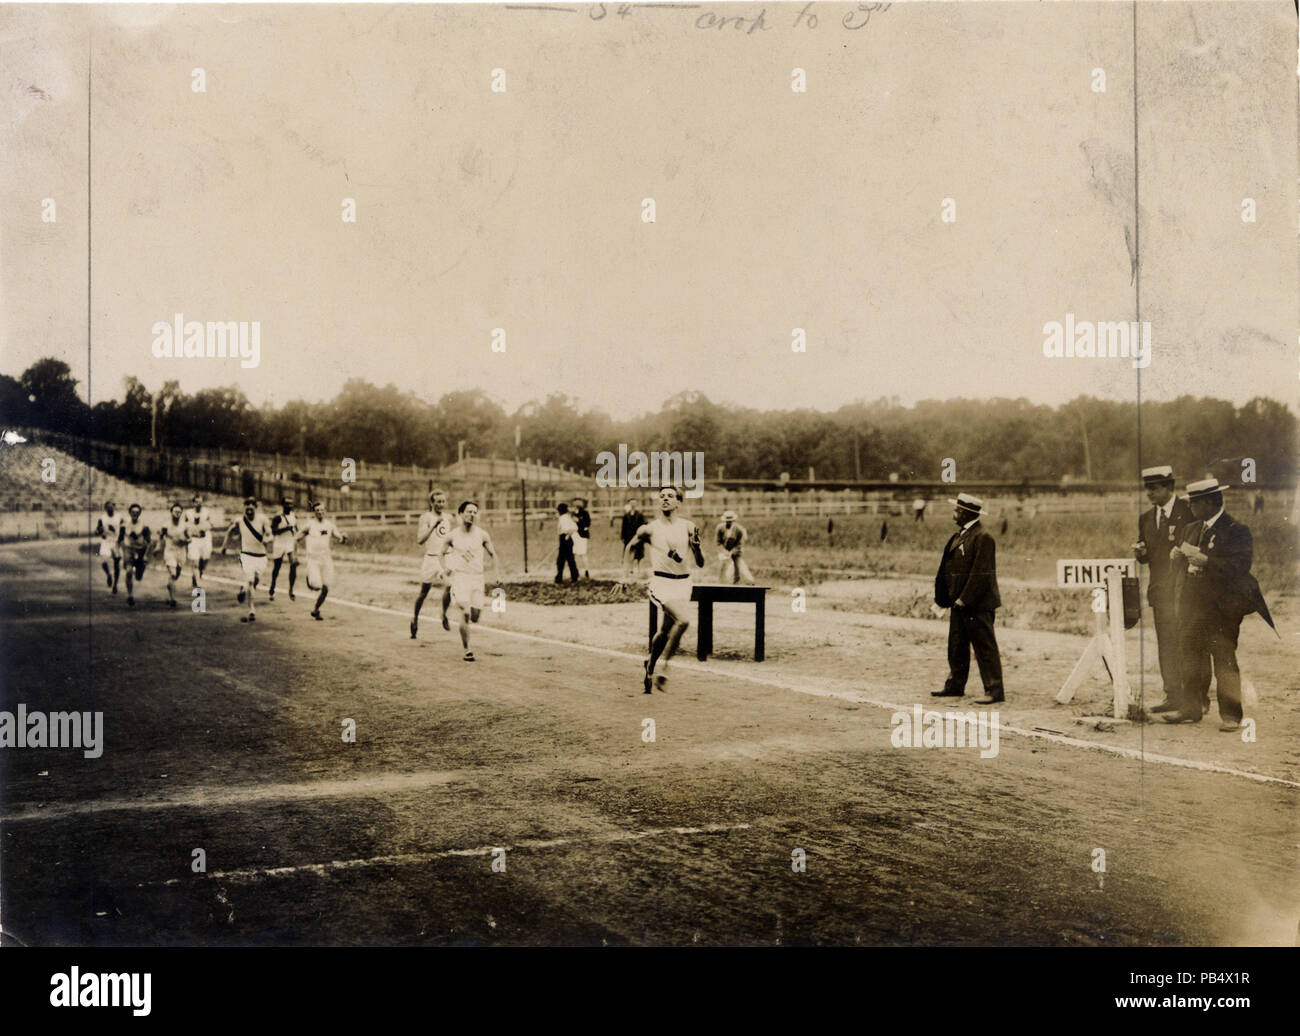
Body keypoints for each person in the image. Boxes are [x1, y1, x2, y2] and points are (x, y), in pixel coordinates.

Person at [1162, 478, 1275, 731]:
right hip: (1193, 605)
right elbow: (1183, 566)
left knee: (1223, 657)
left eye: (1195, 503)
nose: (1190, 507)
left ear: (1211, 503)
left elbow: (1239, 568)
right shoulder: (1192, 528)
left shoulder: (1236, 530)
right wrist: (1176, 557)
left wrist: (1205, 561)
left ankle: (1231, 715)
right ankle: (1190, 707)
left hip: (1221, 608)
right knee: (1189, 654)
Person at [619, 486, 705, 693]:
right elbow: (630, 547)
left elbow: (700, 563)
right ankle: (664, 667)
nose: (665, 499)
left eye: (670, 496)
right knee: (683, 621)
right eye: (662, 496)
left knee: (665, 631)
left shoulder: (688, 527)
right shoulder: (649, 529)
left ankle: (650, 663)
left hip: (684, 583)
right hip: (661, 583)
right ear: (659, 502)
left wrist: (697, 547)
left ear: (678, 502)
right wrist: (624, 576)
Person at [932, 492, 1005, 705]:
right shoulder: (958, 536)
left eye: (956, 510)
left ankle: (994, 690)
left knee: (984, 647)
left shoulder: (983, 537)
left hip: (977, 604)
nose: (954, 513)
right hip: (959, 603)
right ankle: (955, 685)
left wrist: (965, 598)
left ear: (965, 513)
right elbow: (946, 569)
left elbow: (981, 573)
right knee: (957, 646)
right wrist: (944, 598)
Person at [1131, 465, 1193, 713]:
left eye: (1154, 488)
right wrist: (1140, 554)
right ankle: (1173, 696)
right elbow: (1148, 557)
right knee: (1166, 644)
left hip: (1185, 592)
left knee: (1188, 644)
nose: (1149, 493)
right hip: (1160, 592)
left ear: (1169, 487)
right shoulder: (1145, 518)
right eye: (1147, 488)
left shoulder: (1188, 512)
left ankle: (1194, 699)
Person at [439, 500, 498, 662]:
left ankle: (453, 615)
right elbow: (441, 554)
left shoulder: (482, 534)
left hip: (477, 578)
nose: (472, 514)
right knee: (464, 612)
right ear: (461, 514)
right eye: (468, 511)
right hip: (461, 577)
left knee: (475, 616)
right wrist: (444, 571)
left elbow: (493, 555)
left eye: (474, 512)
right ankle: (467, 650)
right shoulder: (452, 535)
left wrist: (496, 574)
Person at [221, 497, 272, 622]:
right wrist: (224, 546)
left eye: (252, 505)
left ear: (256, 507)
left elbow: (269, 533)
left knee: (255, 581)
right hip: (246, 555)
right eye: (247, 505)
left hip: (261, 556)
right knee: (250, 580)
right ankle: (252, 609)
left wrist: (268, 537)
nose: (249, 508)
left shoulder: (263, 519)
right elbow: (229, 531)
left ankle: (243, 589)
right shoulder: (240, 521)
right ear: (244, 507)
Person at [411, 488, 454, 638]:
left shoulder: (448, 518)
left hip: (445, 558)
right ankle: (415, 619)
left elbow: (448, 539)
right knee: (424, 592)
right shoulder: (426, 517)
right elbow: (420, 540)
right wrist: (433, 526)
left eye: (443, 501)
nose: (441, 504)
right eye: (438, 502)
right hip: (430, 559)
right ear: (432, 503)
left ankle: (443, 614)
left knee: (450, 585)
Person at [297, 500, 347, 620]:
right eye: (317, 510)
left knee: (326, 587)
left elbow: (338, 536)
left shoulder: (329, 525)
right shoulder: (309, 525)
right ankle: (309, 579)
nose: (320, 512)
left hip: (325, 559)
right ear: (314, 512)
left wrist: (343, 538)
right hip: (313, 559)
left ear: (325, 511)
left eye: (322, 510)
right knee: (316, 585)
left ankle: (316, 609)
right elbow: (298, 537)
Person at [155, 501, 188, 608]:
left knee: (177, 574)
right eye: (175, 511)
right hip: (170, 551)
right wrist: (157, 547)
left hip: (181, 552)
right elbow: (161, 537)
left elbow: (189, 538)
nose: (177, 513)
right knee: (172, 573)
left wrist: (186, 541)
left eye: (179, 512)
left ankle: (170, 586)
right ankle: (172, 599)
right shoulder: (166, 525)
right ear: (171, 512)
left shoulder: (184, 525)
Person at [120, 503, 151, 608]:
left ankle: (139, 571)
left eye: (137, 513)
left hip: (141, 550)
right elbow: (120, 539)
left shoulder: (144, 525)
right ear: (129, 513)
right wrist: (121, 549)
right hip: (129, 550)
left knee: (138, 576)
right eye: (133, 512)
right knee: (128, 571)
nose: (135, 514)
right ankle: (130, 595)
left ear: (140, 514)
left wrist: (146, 555)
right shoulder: (124, 524)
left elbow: (148, 542)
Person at [268, 498, 299, 601]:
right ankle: (272, 586)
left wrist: (297, 534)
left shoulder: (294, 516)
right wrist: (287, 528)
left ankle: (291, 589)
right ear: (283, 505)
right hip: (279, 543)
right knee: (277, 567)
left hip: (289, 542)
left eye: (291, 504)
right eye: (287, 504)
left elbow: (296, 529)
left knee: (293, 564)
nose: (289, 506)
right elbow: (274, 531)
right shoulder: (278, 517)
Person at [715, 510, 753, 584]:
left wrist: (733, 551)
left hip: (736, 550)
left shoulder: (739, 529)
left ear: (733, 520)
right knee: (722, 565)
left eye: (730, 521)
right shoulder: (720, 528)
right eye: (727, 521)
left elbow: (740, 543)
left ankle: (736, 582)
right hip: (724, 550)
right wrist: (723, 551)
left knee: (737, 566)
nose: (728, 522)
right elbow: (718, 542)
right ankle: (721, 582)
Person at [185, 493, 214, 588]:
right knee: (195, 562)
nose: (198, 504)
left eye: (200, 502)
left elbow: (211, 524)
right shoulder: (188, 513)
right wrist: (189, 535)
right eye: (196, 502)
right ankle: (197, 583)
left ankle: (199, 572)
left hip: (205, 539)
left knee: (205, 560)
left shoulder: (206, 512)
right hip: (194, 539)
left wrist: (205, 528)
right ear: (193, 503)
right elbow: (185, 526)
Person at [95, 500, 122, 593]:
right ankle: (109, 574)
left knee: (116, 563)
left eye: (112, 507)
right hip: (106, 541)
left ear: (114, 507)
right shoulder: (102, 518)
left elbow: (124, 528)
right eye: (108, 508)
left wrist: (120, 539)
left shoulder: (119, 517)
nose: (110, 509)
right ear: (105, 509)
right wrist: (100, 532)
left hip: (115, 542)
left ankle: (115, 585)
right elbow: (97, 530)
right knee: (104, 562)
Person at [555, 503, 579, 583]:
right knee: (570, 559)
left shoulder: (563, 518)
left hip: (565, 539)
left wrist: (567, 535)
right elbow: (575, 527)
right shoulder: (568, 517)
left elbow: (568, 529)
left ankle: (559, 577)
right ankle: (574, 576)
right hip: (567, 539)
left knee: (561, 560)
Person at [572, 498, 592, 579]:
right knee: (574, 554)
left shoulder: (585, 513)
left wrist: (578, 521)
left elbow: (587, 524)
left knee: (583, 553)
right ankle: (576, 571)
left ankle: (586, 570)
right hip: (574, 535)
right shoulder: (572, 514)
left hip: (582, 536)